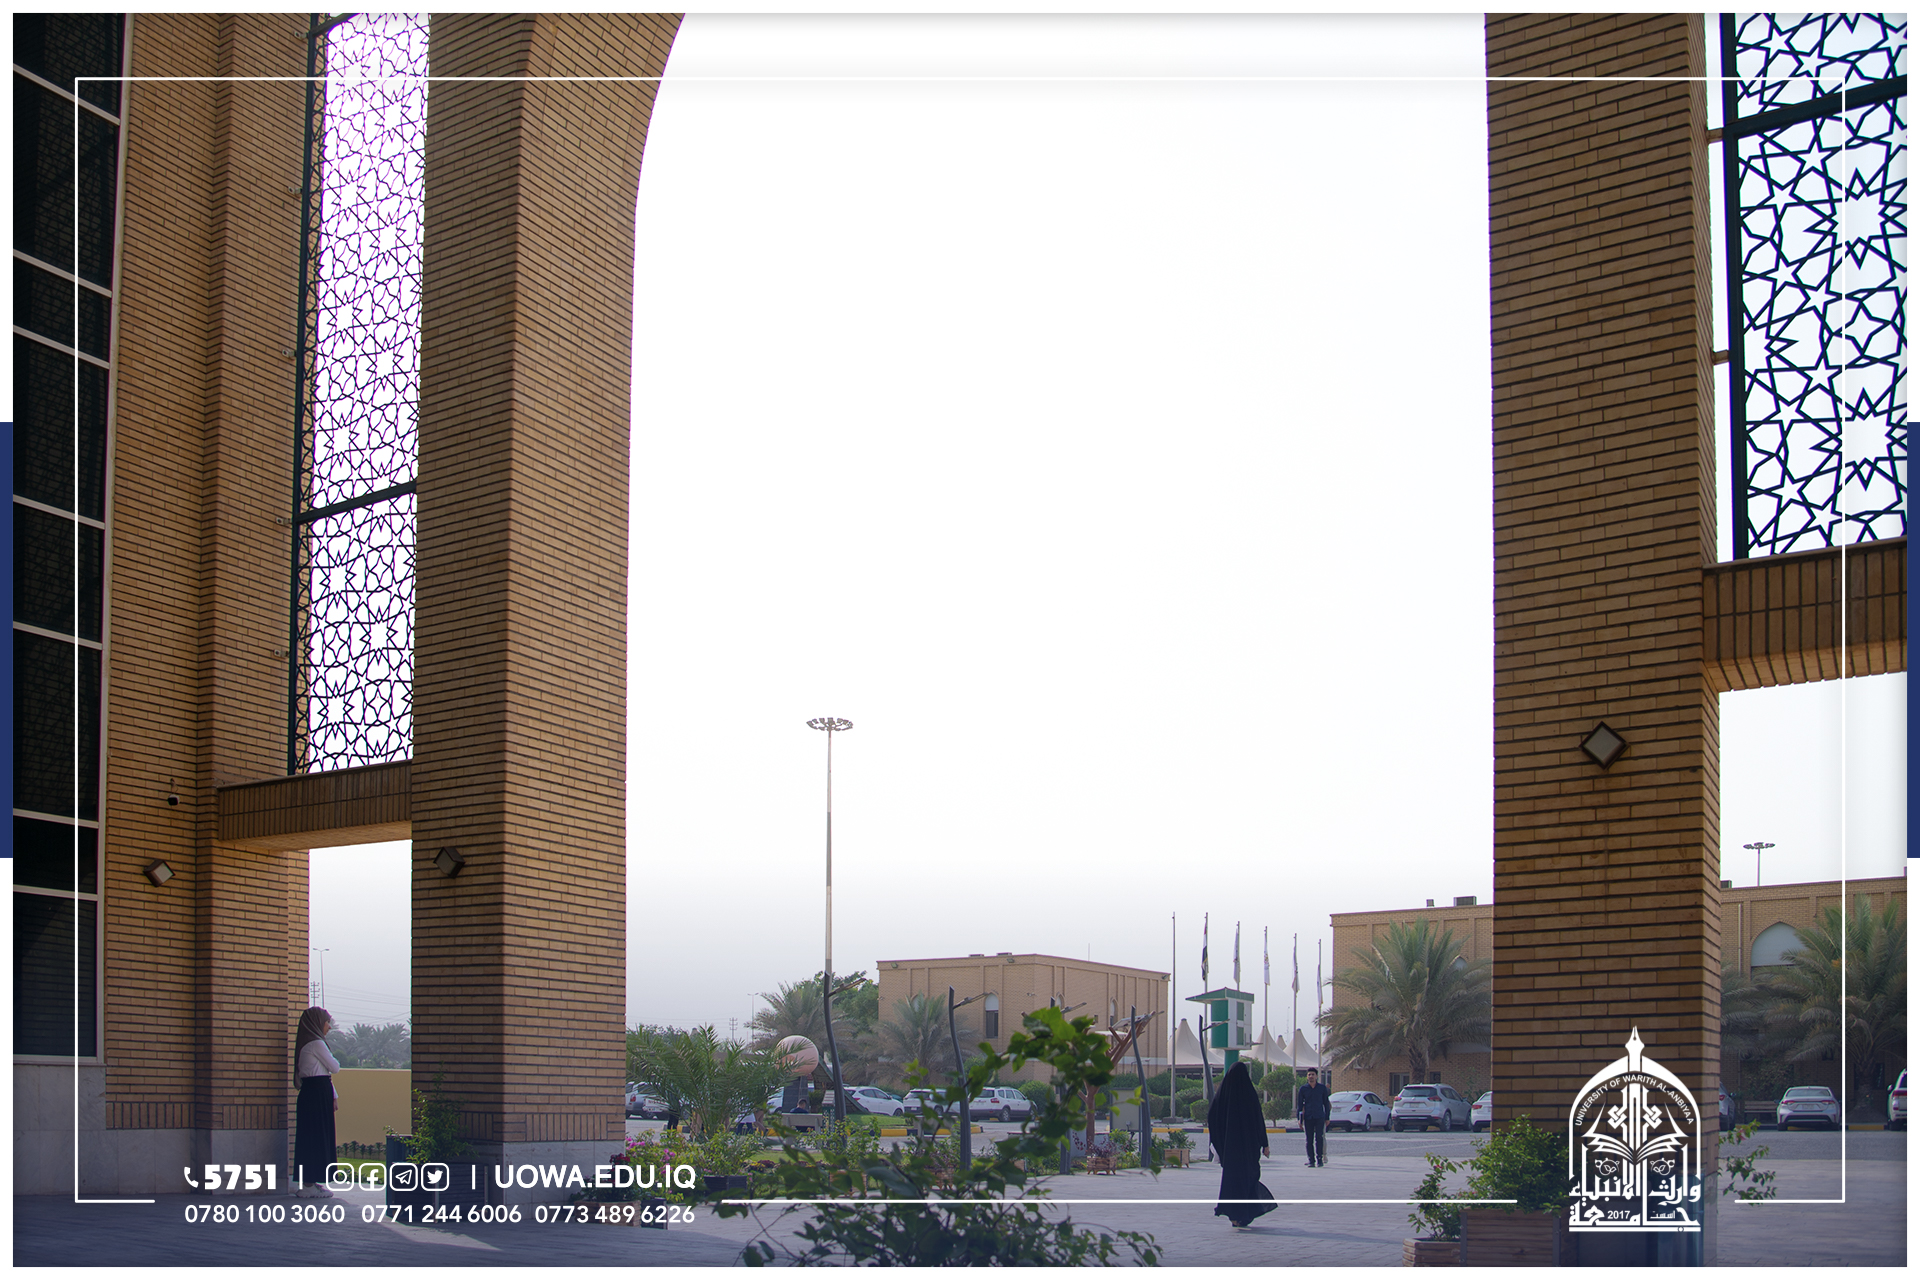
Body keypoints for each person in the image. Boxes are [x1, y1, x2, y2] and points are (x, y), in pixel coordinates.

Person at [1207, 1061, 1276, 1229]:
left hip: (1230, 1151)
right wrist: (1264, 1143)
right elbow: (1258, 1120)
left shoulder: (1222, 1096)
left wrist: (1220, 1143)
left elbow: (1212, 1118)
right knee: (1249, 1179)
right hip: (1248, 1149)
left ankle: (1235, 1215)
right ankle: (1244, 1214)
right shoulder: (1249, 1094)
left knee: (1232, 1183)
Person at [293, 1006, 341, 1197]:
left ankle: (311, 1182)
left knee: (314, 1137)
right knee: (315, 1137)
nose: (329, 1026)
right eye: (327, 1022)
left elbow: (324, 1074)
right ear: (317, 1023)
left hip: (314, 1093)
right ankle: (308, 1186)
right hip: (316, 1095)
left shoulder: (309, 1043)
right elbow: (334, 1067)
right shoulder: (316, 1044)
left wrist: (333, 1096)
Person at [1296, 1067, 1332, 1168]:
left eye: (1313, 1074)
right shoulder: (1303, 1089)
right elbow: (1300, 1105)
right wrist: (1299, 1119)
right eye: (1309, 1075)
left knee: (1319, 1138)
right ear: (1307, 1077)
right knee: (1309, 1140)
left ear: (1316, 1076)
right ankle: (1311, 1160)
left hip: (1319, 1116)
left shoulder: (1322, 1088)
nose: (1311, 1076)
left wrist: (1327, 1118)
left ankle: (1319, 1159)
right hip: (1308, 1117)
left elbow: (1326, 1103)